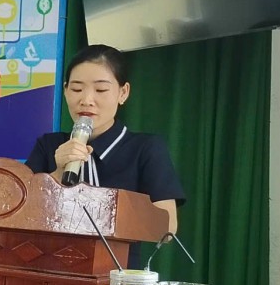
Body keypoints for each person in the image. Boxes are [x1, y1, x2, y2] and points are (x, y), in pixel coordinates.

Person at [26, 44, 185, 237]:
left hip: (117, 258)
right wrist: (57, 175)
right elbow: (18, 213)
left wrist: (106, 211)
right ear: (65, 90)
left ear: (123, 93)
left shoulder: (145, 149)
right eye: (76, 89)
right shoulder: (48, 146)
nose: (86, 100)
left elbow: (167, 227)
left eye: (101, 90)